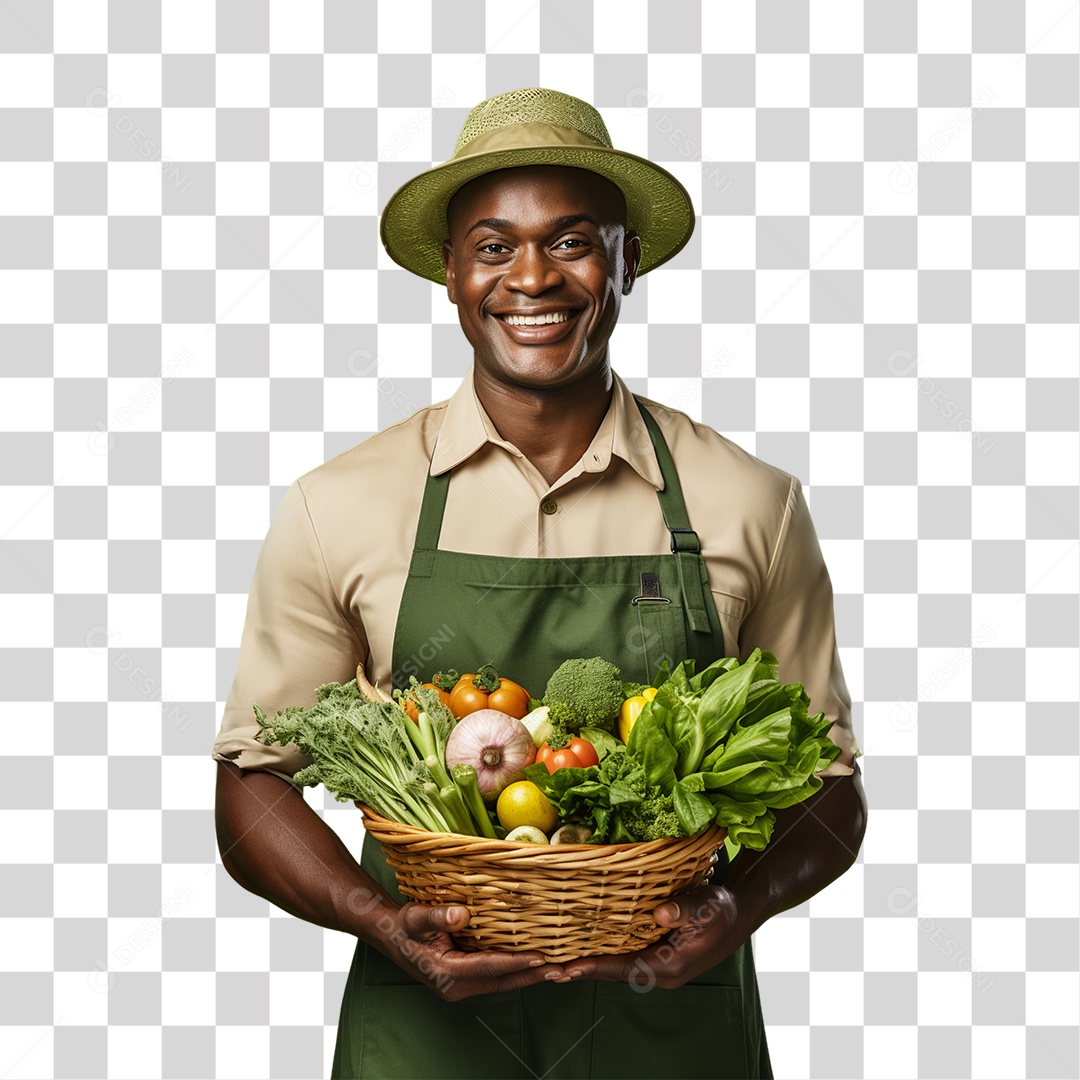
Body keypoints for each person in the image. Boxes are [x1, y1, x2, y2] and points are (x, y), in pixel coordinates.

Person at [213, 87, 867, 1080]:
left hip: (673, 1029)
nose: (532, 277)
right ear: (451, 274)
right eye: (493, 246)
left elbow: (829, 792)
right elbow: (252, 782)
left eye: (571, 242)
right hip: (425, 1037)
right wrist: (385, 923)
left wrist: (732, 913)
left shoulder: (749, 503)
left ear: (626, 261)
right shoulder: (338, 505)